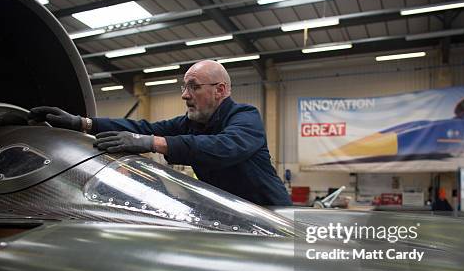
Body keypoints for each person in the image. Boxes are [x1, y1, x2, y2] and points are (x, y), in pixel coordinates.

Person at [28, 60, 292, 206]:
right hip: (232, 212)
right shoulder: (191, 123)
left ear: (220, 90)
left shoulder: (246, 117)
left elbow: (224, 147)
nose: (184, 95)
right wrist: (82, 123)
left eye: (193, 87)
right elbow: (144, 128)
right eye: (183, 87)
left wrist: (152, 143)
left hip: (271, 212)